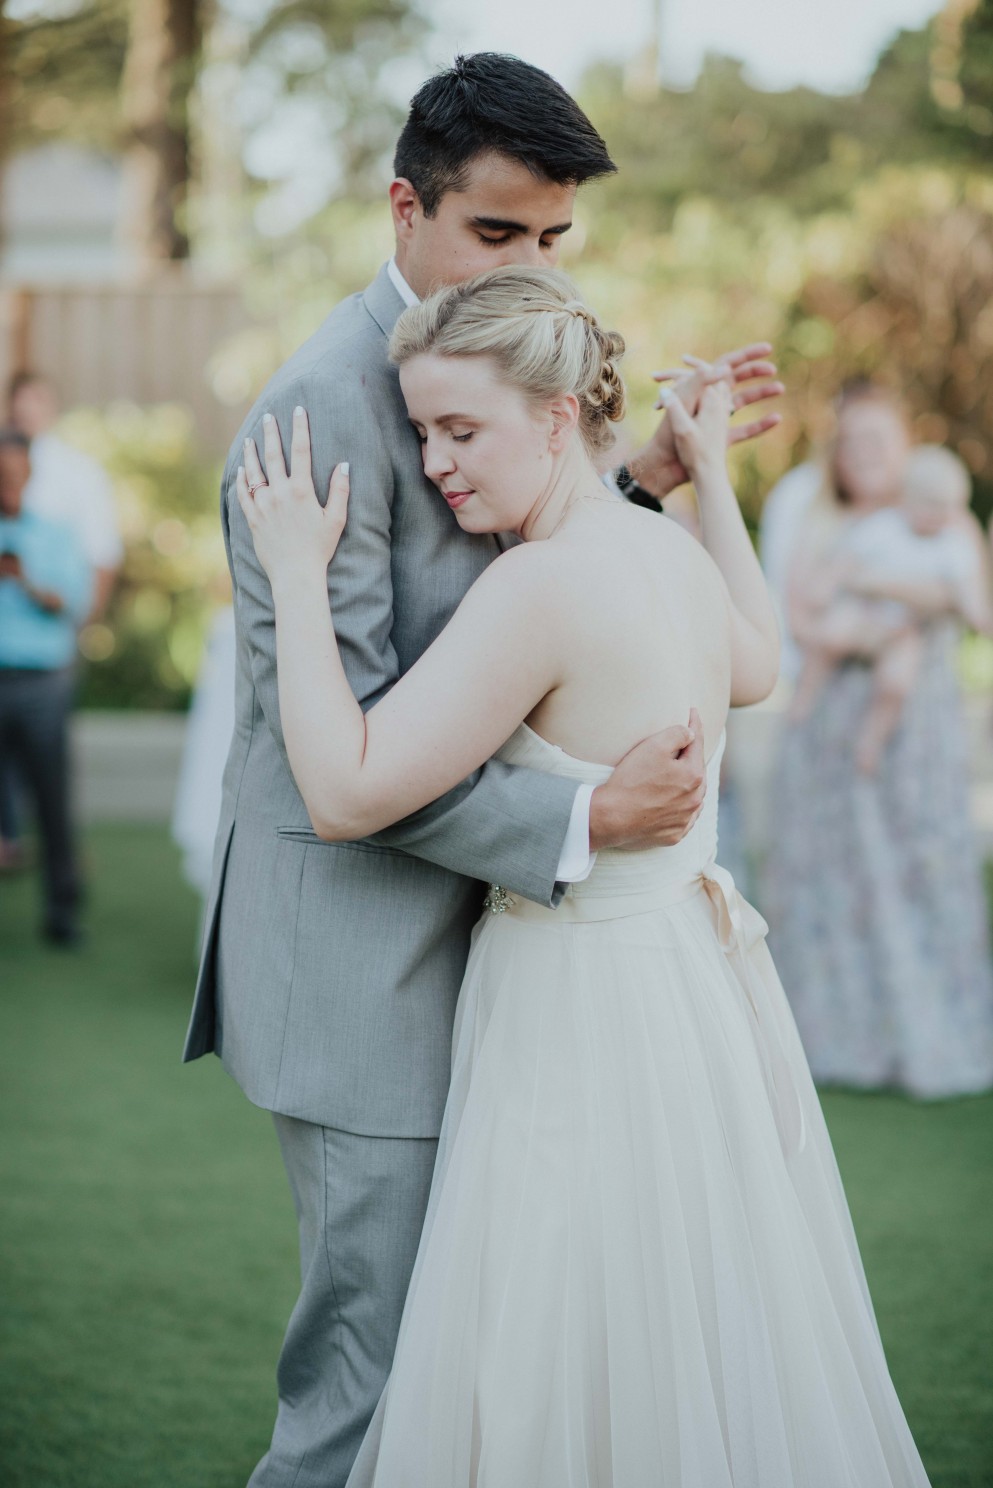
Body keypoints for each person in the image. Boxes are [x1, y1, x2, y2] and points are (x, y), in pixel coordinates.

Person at [182, 55, 783, 1488]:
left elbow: (528, 603)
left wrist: (628, 491)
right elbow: (360, 738)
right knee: (369, 1389)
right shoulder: (324, 407)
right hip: (366, 966)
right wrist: (587, 813)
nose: (539, 269)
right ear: (406, 208)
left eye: (555, 242)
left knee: (495, 1383)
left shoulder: (490, 367)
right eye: (499, 235)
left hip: (514, 975)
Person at [236, 264, 931, 1487]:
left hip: (574, 1012)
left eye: (463, 429)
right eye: (421, 432)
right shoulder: (671, 561)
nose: (439, 463)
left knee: (550, 1344)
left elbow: (346, 790)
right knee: (682, 1330)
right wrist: (709, 474)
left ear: (558, 418)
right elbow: (759, 663)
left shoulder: (535, 589)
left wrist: (298, 573)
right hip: (691, 998)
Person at [768, 383, 993, 1098]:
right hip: (829, 726)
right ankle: (844, 1041)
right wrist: (868, 626)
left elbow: (967, 600)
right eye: (850, 441)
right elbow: (799, 614)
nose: (862, 454)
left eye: (877, 441)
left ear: (903, 448)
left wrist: (876, 590)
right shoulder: (818, 517)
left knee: (922, 866)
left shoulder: (938, 519)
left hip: (916, 732)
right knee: (835, 879)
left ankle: (928, 1033)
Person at [789, 443, 990, 773]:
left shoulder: (953, 545)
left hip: (905, 631)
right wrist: (825, 587)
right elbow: (846, 561)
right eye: (932, 505)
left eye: (948, 508)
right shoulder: (886, 527)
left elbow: (968, 596)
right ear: (908, 498)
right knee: (829, 636)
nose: (940, 515)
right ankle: (807, 693)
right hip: (866, 612)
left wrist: (981, 620)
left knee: (896, 683)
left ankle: (872, 739)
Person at [0, 371, 124, 870]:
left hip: (46, 659)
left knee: (49, 777)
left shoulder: (75, 478)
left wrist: (74, 622)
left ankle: (60, 877)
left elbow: (99, 557)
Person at [0, 429, 92, 945]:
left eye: (15, 472)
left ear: (29, 473)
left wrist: (25, 581)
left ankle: (62, 911)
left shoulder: (55, 532)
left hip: (42, 686)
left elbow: (71, 601)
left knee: (52, 800)